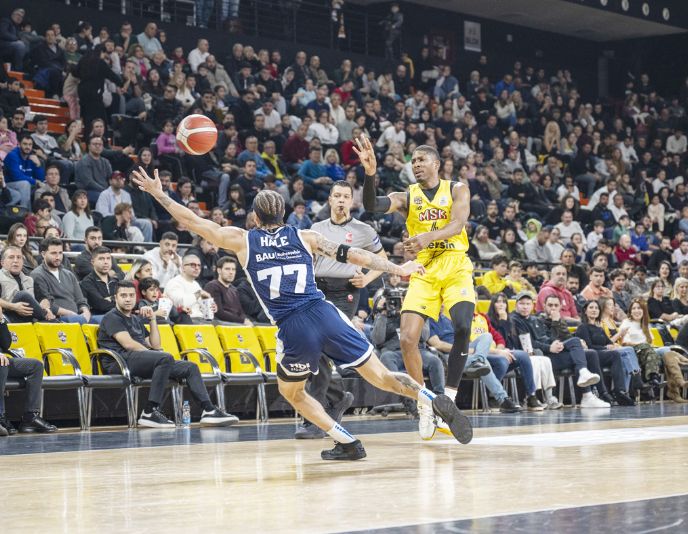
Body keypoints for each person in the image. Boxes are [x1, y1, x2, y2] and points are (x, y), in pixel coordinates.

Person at [132, 167, 472, 459]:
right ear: (284, 214)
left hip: (293, 327)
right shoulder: (307, 236)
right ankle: (430, 397)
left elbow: (191, 220)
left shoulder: (242, 240)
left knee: (292, 392)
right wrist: (398, 268)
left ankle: (347, 441)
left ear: (255, 217)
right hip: (325, 312)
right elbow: (355, 255)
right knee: (381, 375)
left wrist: (160, 194)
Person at [357, 135, 475, 440]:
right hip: (424, 269)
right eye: (413, 162)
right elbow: (371, 204)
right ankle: (425, 404)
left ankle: (448, 399)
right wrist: (370, 173)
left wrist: (426, 237)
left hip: (455, 264)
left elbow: (458, 224)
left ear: (436, 163)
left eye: (422, 160)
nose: (416, 165)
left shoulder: (457, 188)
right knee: (408, 339)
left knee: (463, 326)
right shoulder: (407, 196)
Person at [296, 182, 384, 439]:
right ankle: (337, 398)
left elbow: (382, 259)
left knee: (320, 350)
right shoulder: (316, 228)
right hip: (317, 290)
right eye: (337, 196)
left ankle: (315, 420)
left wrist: (366, 279)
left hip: (346, 292)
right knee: (316, 351)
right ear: (330, 200)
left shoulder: (364, 230)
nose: (342, 200)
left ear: (352, 201)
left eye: (346, 196)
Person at [98, 281, 237, 428]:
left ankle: (208, 410)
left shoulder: (135, 319)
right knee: (164, 357)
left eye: (131, 295)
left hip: (137, 360)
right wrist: (156, 355)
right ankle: (150, 411)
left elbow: (155, 344)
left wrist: (152, 319)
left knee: (190, 367)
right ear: (116, 298)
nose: (128, 299)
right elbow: (128, 344)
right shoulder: (112, 317)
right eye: (123, 295)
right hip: (119, 362)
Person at [0, 307, 58, 435]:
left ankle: (30, 416)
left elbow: (6, 344)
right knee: (2, 364)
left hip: (3, 360)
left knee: (35, 366)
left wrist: (1, 321)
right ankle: (0, 417)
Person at [31, 237, 93, 324]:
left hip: (77, 317)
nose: (58, 257)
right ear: (43, 254)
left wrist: (86, 312)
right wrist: (72, 314)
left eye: (60, 253)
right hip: (57, 320)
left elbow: (81, 300)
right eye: (53, 253)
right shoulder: (37, 275)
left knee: (103, 320)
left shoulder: (69, 274)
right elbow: (47, 305)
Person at [0, 246, 56, 323]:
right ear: (2, 262)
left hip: (30, 317)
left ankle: (48, 318)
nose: (15, 261)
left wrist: (46, 308)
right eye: (11, 257)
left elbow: (42, 298)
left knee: (47, 322)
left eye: (19, 257)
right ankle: (47, 317)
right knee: (23, 295)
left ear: (23, 262)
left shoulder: (30, 279)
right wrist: (14, 307)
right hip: (8, 316)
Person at [79, 246, 118, 317]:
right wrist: (115, 299)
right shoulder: (87, 282)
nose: (106, 262)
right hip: (99, 318)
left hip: (118, 317)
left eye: (108, 258)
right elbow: (102, 305)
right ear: (93, 262)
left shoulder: (115, 281)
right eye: (101, 259)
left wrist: (111, 299)